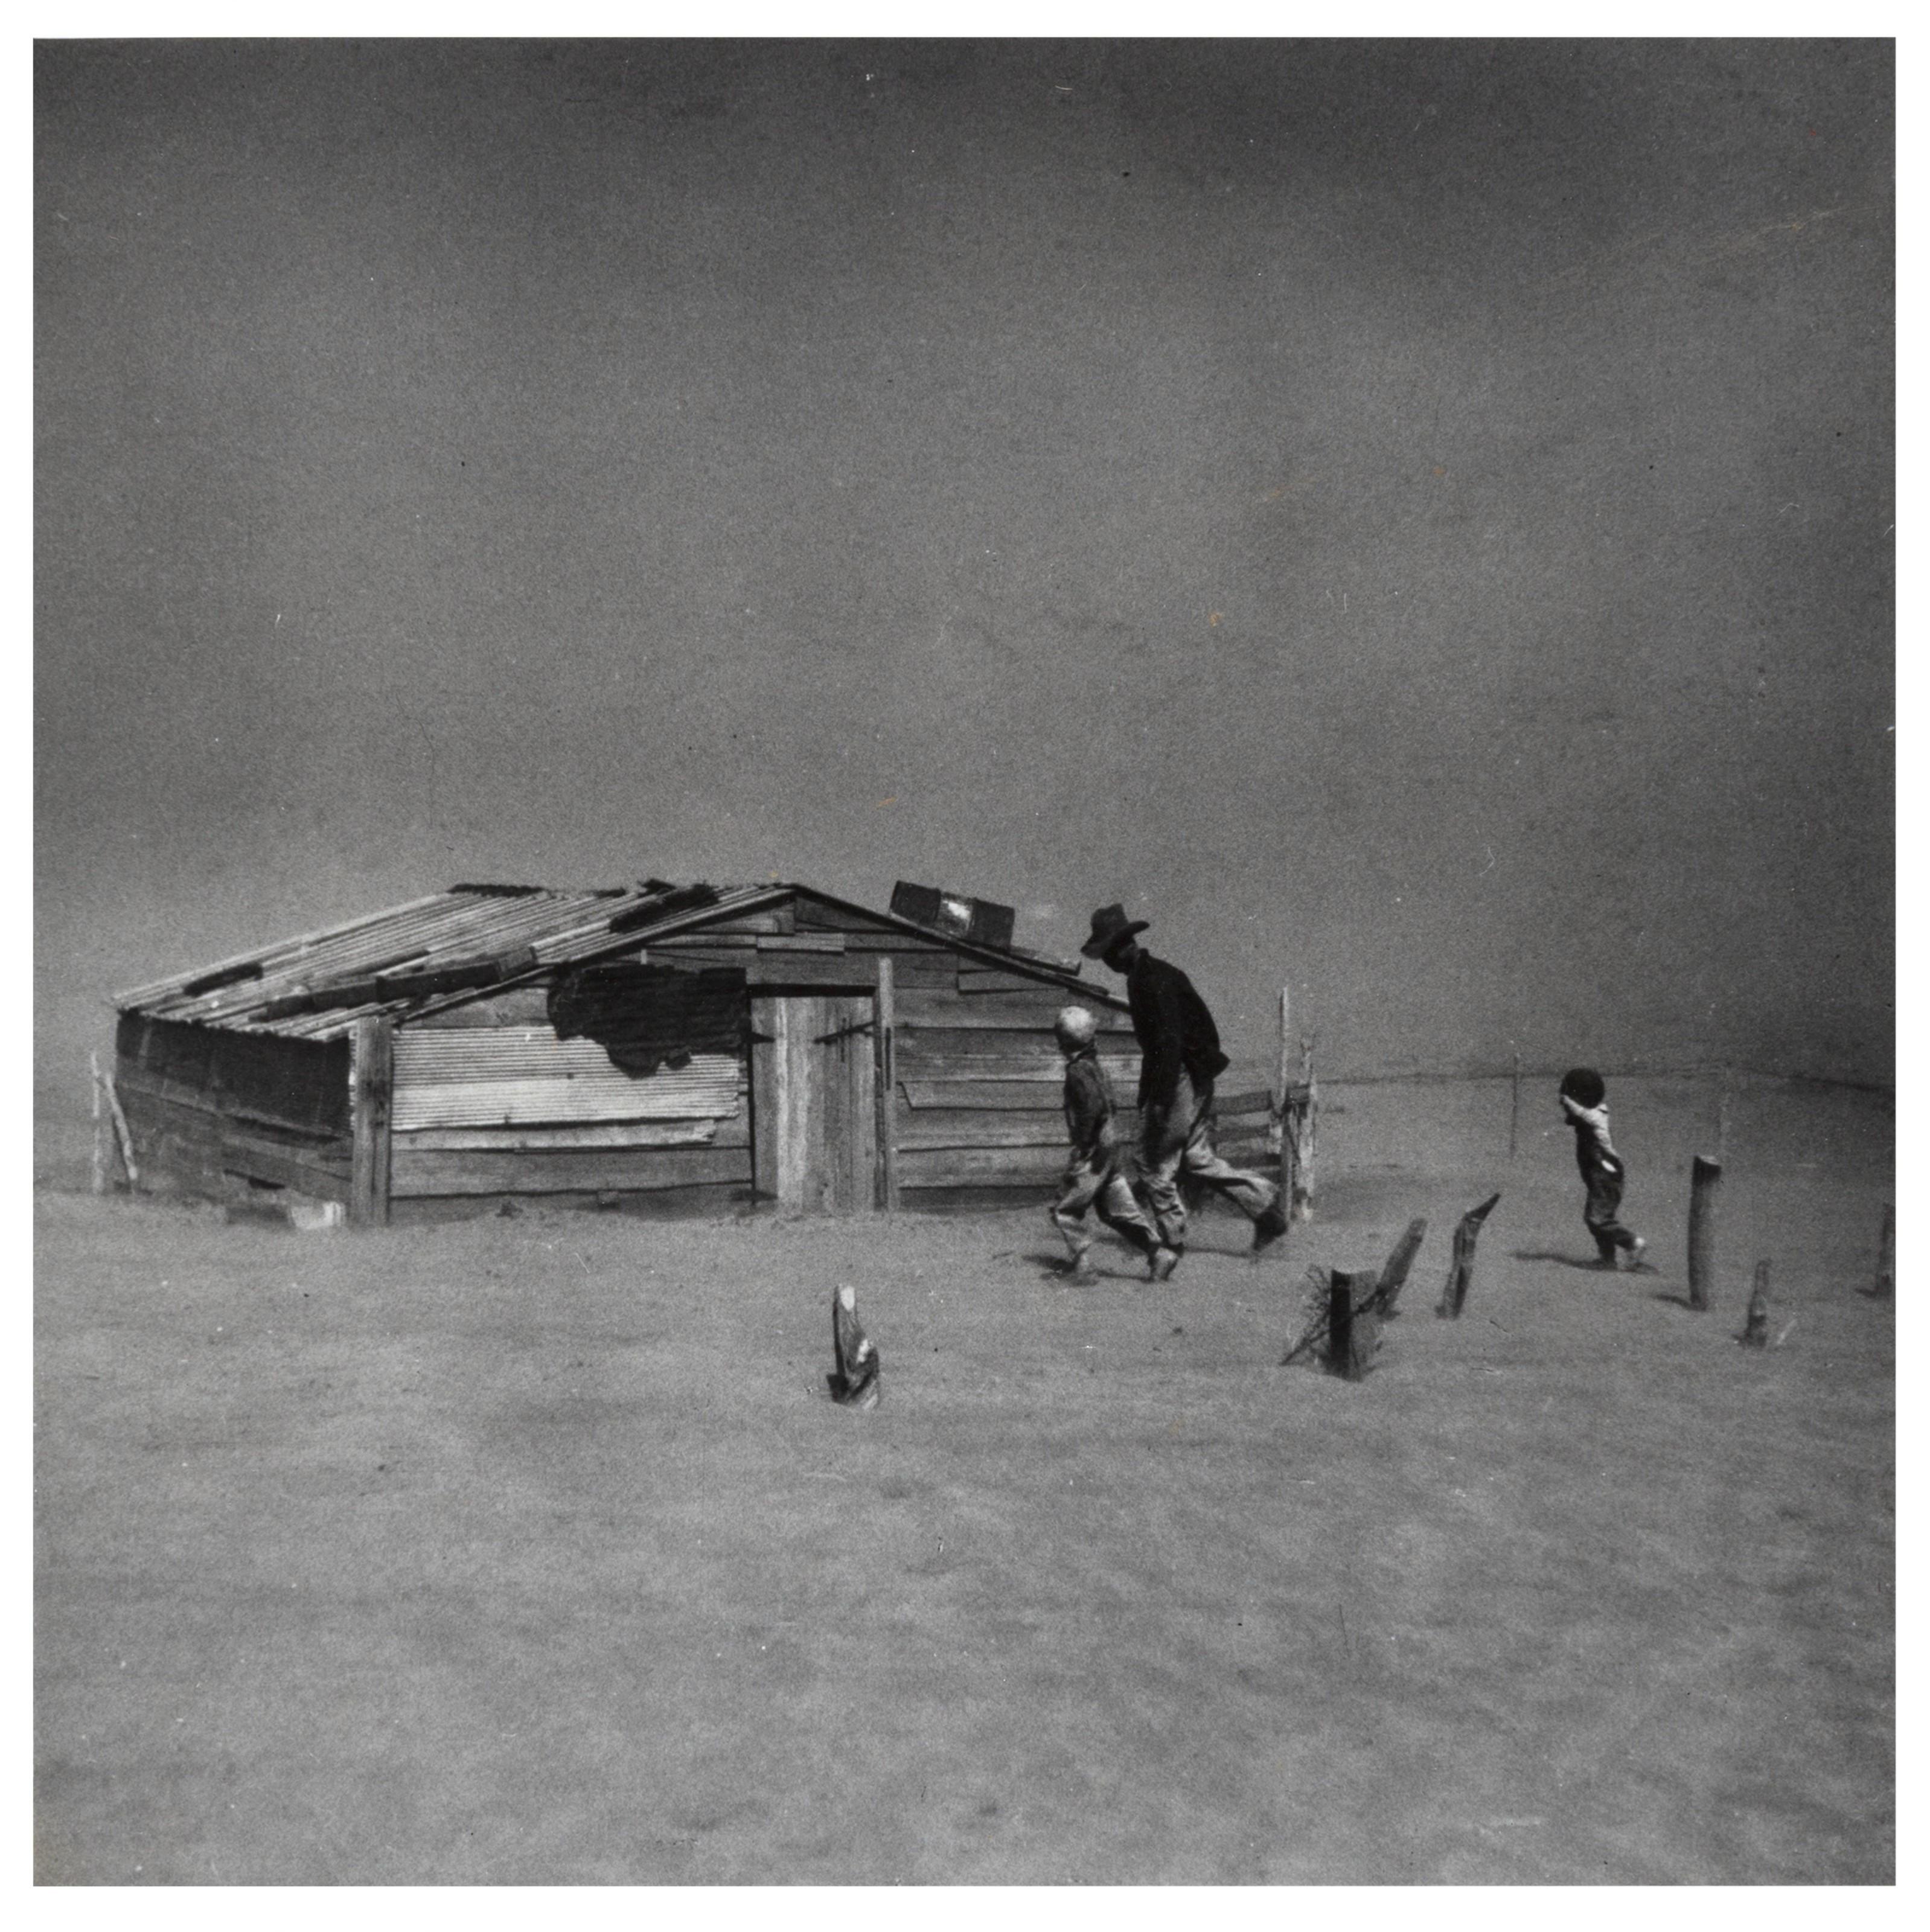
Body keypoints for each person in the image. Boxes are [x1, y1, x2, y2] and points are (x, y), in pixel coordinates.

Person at [1079, 904, 1288, 1268]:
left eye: (1108, 953)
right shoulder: (1152, 974)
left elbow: (1169, 1042)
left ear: (1122, 947)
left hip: (1179, 1077)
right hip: (1192, 1076)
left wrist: (1160, 1100)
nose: (1107, 963)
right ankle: (1266, 1209)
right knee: (1196, 1159)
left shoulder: (1150, 980)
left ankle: (1171, 1243)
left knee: (1150, 1161)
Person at [1049, 1005, 1176, 1281]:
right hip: (1110, 1148)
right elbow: (1109, 1105)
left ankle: (1082, 1266)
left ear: (1062, 1042)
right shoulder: (1098, 1067)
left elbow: (1091, 1109)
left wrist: (1084, 1145)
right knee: (1117, 1210)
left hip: (1094, 1149)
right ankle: (1159, 1253)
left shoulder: (1077, 1071)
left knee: (1064, 1209)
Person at [1558, 1067, 1647, 1270]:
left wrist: (1567, 1099)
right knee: (1600, 1219)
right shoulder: (1589, 1114)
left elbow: (1581, 1113)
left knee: (1596, 1219)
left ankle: (1633, 1243)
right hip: (1599, 1175)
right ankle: (1607, 1259)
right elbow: (1574, 1117)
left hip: (1606, 1174)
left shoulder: (1596, 1116)